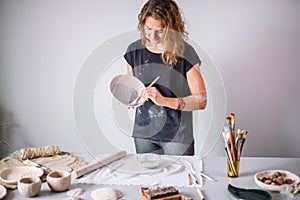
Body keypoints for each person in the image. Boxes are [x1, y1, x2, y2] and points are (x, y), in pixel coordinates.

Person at [123, 0, 207, 156]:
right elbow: (132, 87)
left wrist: (165, 101)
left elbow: (201, 100)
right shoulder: (133, 50)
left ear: (171, 28)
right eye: (148, 29)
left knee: (177, 180)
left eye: (160, 31)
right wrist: (131, 97)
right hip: (144, 135)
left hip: (177, 137)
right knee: (148, 180)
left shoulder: (185, 53)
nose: (153, 36)